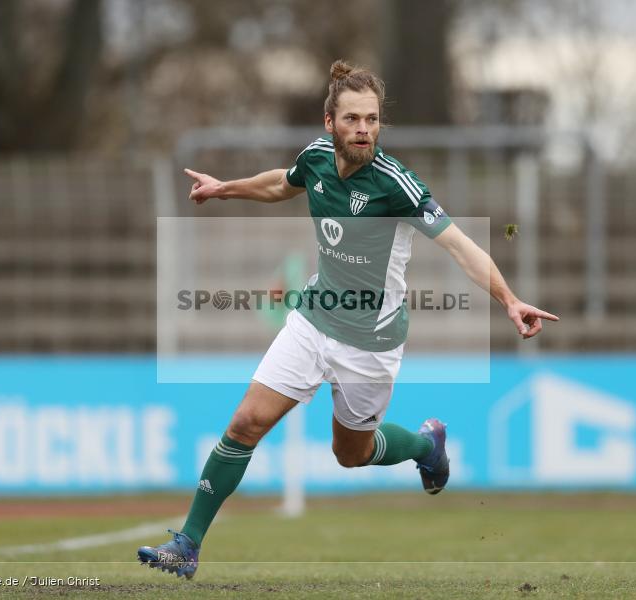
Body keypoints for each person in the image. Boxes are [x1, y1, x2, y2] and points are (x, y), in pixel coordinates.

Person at [137, 60, 558, 579]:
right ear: (330, 122)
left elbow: (459, 245)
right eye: (353, 119)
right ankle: (187, 544)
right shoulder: (315, 158)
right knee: (246, 422)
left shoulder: (396, 185)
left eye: (372, 119)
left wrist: (508, 299)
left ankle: (426, 446)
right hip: (314, 320)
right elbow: (282, 184)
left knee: (350, 454)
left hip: (371, 342)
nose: (364, 129)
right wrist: (225, 188)